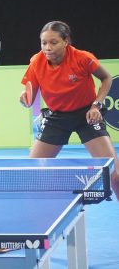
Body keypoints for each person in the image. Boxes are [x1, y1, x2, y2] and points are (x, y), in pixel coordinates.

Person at [20, 20, 119, 201]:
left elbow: (106, 78)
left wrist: (96, 105)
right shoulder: (36, 62)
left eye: (53, 42)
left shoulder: (82, 58)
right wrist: (24, 99)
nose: (47, 47)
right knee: (32, 172)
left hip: (86, 116)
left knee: (114, 174)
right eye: (44, 43)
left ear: (66, 42)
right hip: (57, 118)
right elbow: (30, 94)